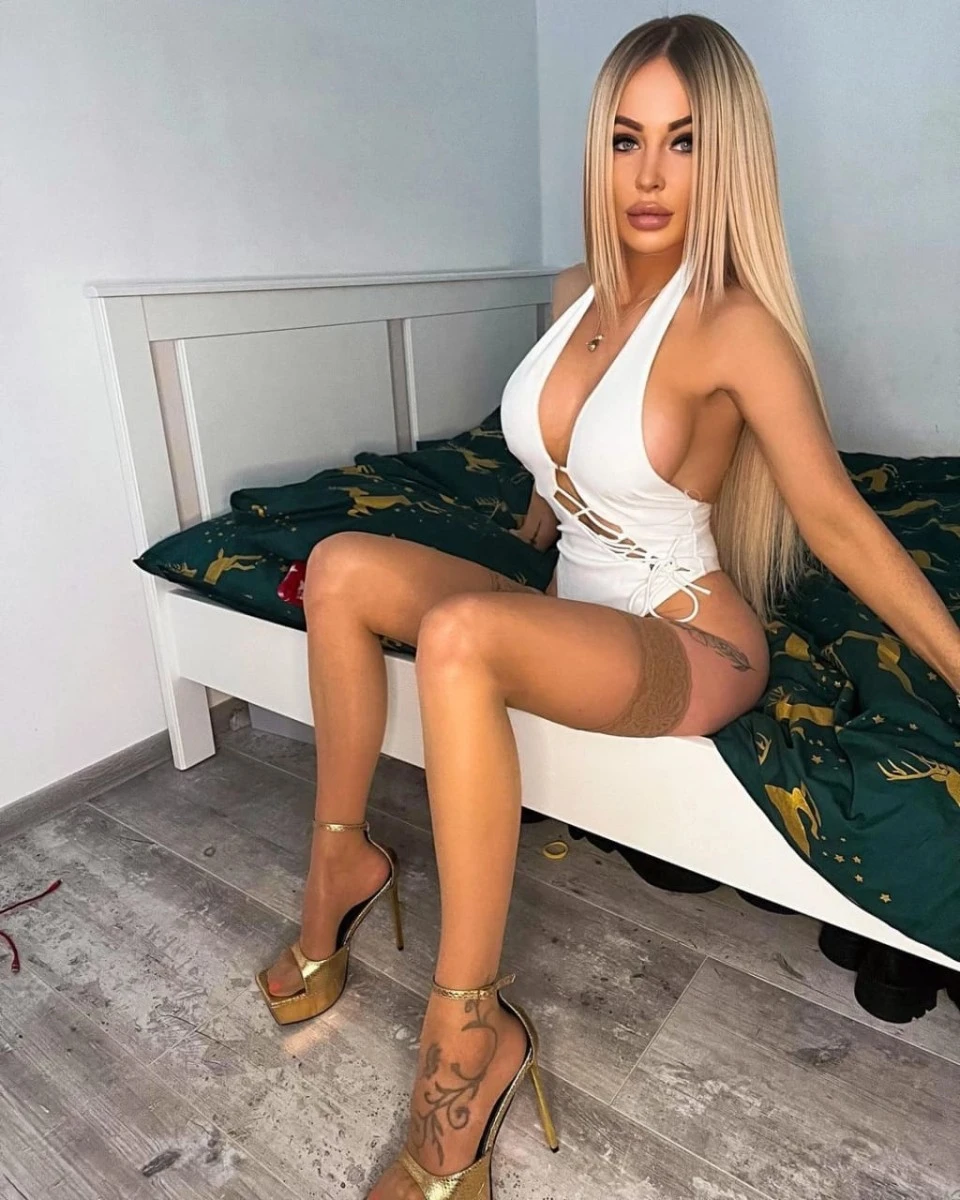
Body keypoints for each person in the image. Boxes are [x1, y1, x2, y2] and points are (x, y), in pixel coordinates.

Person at [257, 14, 960, 1199]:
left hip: (692, 634)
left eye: (683, 143)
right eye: (627, 139)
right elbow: (565, 452)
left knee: (461, 638)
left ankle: (469, 1039)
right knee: (338, 566)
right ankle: (342, 866)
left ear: (726, 159)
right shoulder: (575, 290)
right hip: (580, 604)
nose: (647, 175)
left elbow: (837, 521)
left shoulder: (737, 327)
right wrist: (534, 532)